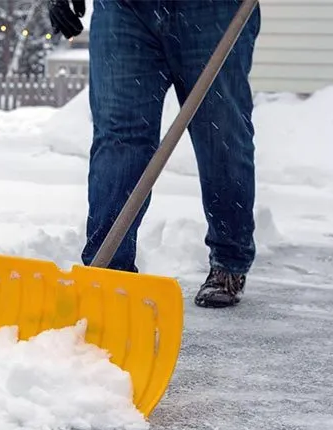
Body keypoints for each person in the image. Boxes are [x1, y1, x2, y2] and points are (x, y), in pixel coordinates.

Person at [48, 0, 261, 308]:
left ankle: (230, 260)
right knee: (120, 136)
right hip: (124, 8)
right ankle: (108, 273)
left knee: (220, 133)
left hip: (214, 9)